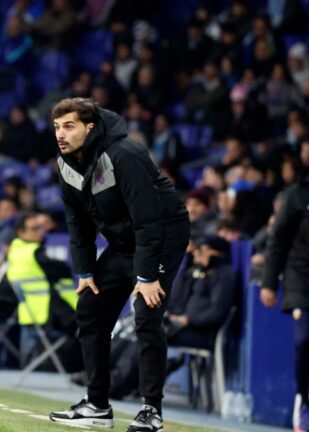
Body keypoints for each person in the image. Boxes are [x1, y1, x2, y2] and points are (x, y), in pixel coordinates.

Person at [47, 98, 189, 431]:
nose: (60, 135)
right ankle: (97, 405)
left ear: (89, 127)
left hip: (162, 235)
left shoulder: (125, 154)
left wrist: (148, 276)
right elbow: (77, 222)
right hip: (124, 241)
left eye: (69, 126)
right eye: (56, 127)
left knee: (146, 314)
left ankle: (151, 411)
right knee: (90, 309)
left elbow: (149, 220)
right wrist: (85, 271)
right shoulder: (65, 162)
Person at [261, 151, 309, 432]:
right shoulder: (298, 196)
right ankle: (303, 400)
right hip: (303, 279)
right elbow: (278, 240)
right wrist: (269, 282)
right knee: (305, 337)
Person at [6, 212, 79, 371]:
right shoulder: (35, 252)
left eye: (41, 228)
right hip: (49, 313)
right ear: (21, 232)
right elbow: (63, 270)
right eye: (34, 229)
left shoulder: (14, 251)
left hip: (29, 313)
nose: (40, 232)